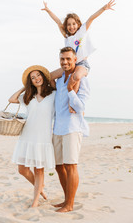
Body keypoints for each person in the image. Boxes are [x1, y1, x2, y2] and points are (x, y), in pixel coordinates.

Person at [41, 0, 115, 110]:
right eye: (69, 24)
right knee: (49, 76)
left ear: (78, 24)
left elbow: (91, 18)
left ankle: (72, 103)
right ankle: (58, 94)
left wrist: (104, 8)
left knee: (76, 76)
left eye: (74, 24)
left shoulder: (81, 32)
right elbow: (58, 22)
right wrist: (48, 10)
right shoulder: (67, 36)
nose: (71, 26)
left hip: (81, 64)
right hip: (69, 65)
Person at [9, 65, 56, 207]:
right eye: (33, 77)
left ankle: (35, 201)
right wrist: (24, 87)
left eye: (38, 75)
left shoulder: (53, 94)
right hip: (27, 135)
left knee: (39, 169)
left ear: (43, 76)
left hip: (43, 136)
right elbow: (11, 99)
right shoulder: (28, 97)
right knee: (22, 169)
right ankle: (40, 188)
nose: (36, 79)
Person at [52, 47, 90, 213]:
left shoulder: (82, 79)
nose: (65, 62)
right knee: (58, 166)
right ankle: (66, 199)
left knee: (70, 166)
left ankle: (70, 204)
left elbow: (81, 106)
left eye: (68, 59)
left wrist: (70, 92)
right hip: (57, 128)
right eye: (62, 59)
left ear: (75, 60)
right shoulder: (60, 80)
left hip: (72, 128)